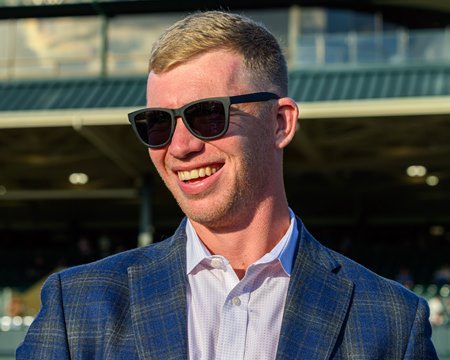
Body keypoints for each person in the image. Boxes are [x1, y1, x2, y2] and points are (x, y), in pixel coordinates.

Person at [17, 11, 437, 359]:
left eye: (206, 116)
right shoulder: (76, 308)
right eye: (157, 123)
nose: (179, 147)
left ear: (280, 122)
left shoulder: (393, 323)